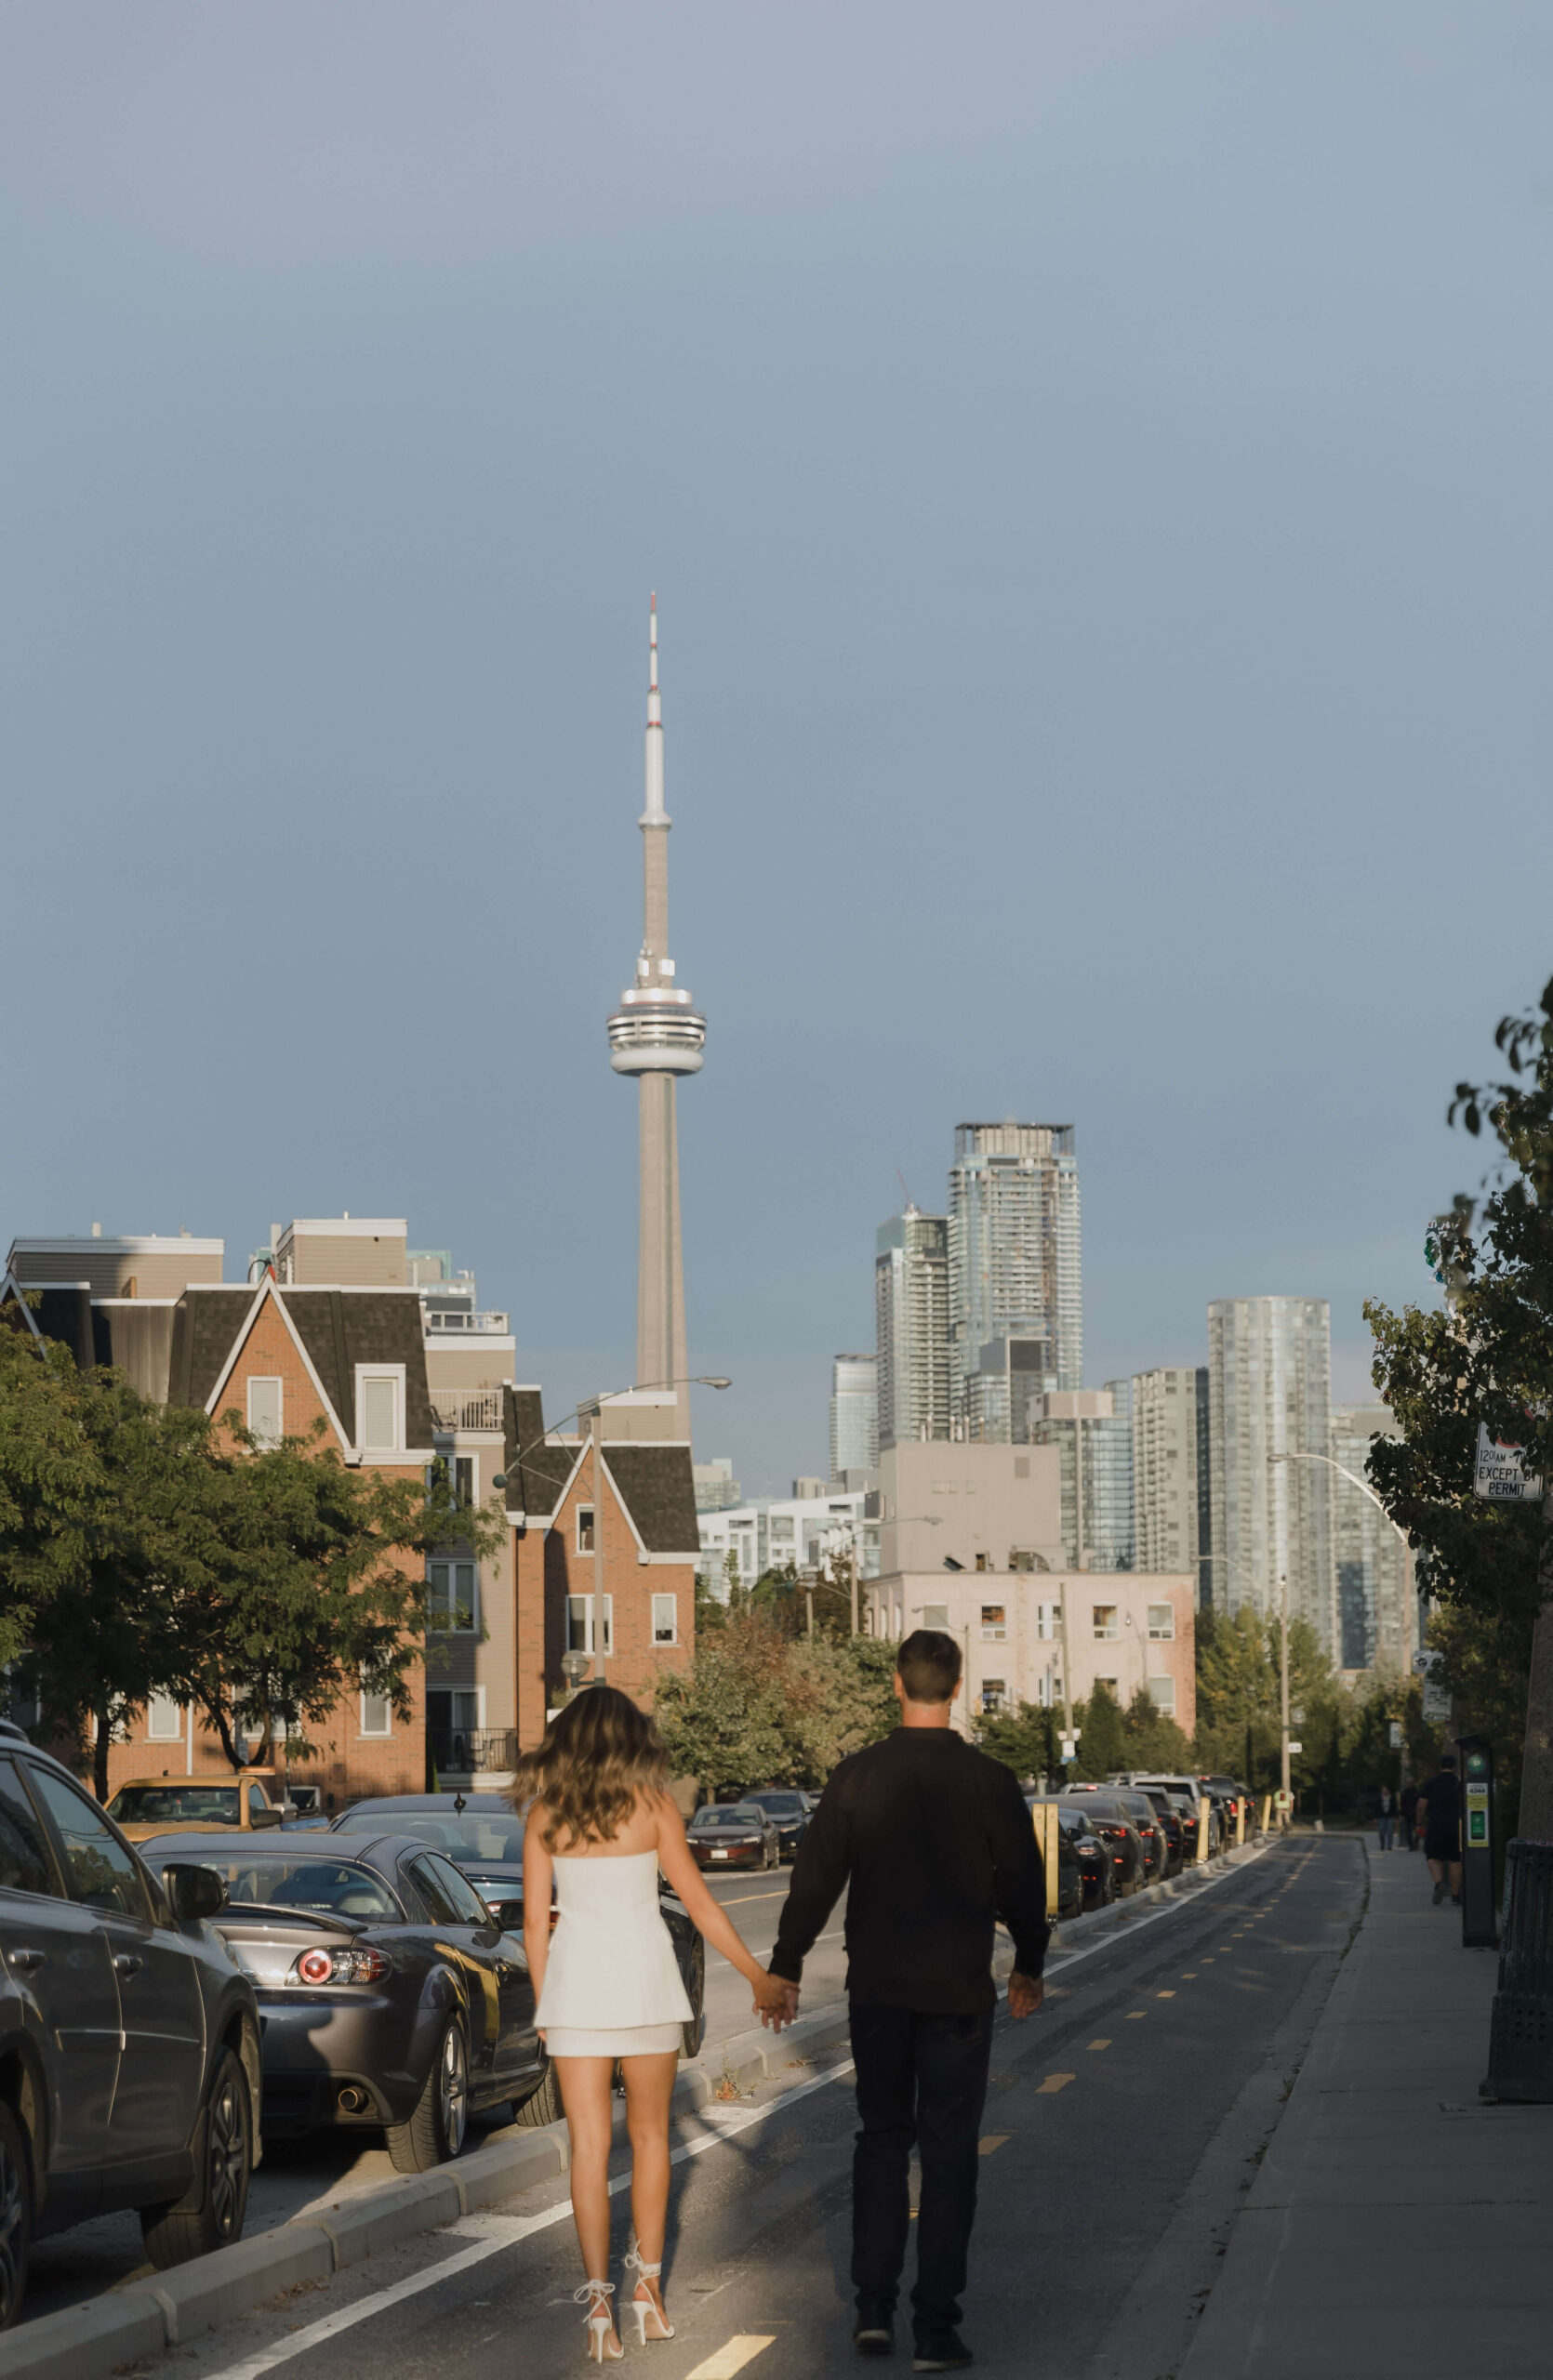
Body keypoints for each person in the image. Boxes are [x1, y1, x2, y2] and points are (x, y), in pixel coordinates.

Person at [767, 1628, 1049, 2373]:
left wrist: (787, 1963)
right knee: (951, 2155)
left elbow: (816, 1876)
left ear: (898, 1683)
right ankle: (935, 2328)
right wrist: (1029, 1962)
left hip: (880, 1992)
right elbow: (1023, 1877)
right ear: (956, 1688)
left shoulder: (857, 1775)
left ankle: (871, 2310)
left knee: (882, 2142)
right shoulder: (988, 1780)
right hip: (958, 1993)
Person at [516, 1686, 792, 2362]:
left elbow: (532, 1926)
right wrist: (758, 1976)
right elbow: (698, 1905)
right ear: (631, 1739)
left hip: (576, 1991)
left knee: (586, 2147)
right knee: (648, 2140)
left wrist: (545, 2002)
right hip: (645, 1988)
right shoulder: (655, 1808)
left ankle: (598, 2311)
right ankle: (649, 2294)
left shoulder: (545, 1815)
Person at [1415, 1752, 1463, 1905]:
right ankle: (1455, 1895)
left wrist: (1419, 1823)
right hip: (1456, 1825)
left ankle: (1439, 1883)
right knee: (1456, 1860)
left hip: (1436, 1825)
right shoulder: (1459, 1783)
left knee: (1433, 1857)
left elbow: (1421, 1806)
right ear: (1454, 1767)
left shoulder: (1431, 1783)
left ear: (1440, 1766)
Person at [1400, 1779, 1419, 1852]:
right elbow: (1402, 1803)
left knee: (1417, 1829)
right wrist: (1402, 1813)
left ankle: (1416, 1842)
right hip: (1407, 1813)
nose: (1409, 1784)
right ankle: (1411, 1845)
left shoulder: (1416, 1792)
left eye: (1411, 1782)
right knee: (1408, 1831)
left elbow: (1418, 1802)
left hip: (1415, 1813)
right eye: (1408, 1782)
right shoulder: (1405, 1792)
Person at [1375, 1782, 1395, 1853]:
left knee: (1390, 1831)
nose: (1384, 1791)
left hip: (1390, 1816)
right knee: (1381, 1831)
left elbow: (1394, 1807)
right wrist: (1376, 1817)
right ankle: (1382, 1844)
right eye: (1383, 1790)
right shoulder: (1379, 1798)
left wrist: (1396, 1817)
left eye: (1385, 1790)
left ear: (1388, 1790)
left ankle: (1389, 1846)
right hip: (1382, 1817)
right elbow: (1377, 1807)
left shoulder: (1392, 1797)